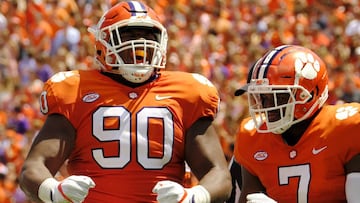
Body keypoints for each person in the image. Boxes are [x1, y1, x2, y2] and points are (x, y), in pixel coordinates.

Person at [18, 1, 232, 203]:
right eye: (128, 35)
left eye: (148, 35)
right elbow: (33, 167)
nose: (140, 44)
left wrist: (194, 196)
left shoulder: (188, 93)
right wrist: (54, 191)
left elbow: (219, 175)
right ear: (103, 42)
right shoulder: (76, 91)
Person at [229, 45, 360, 203]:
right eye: (262, 97)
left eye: (278, 97)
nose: (267, 106)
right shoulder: (252, 137)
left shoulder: (347, 129)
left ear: (308, 95)